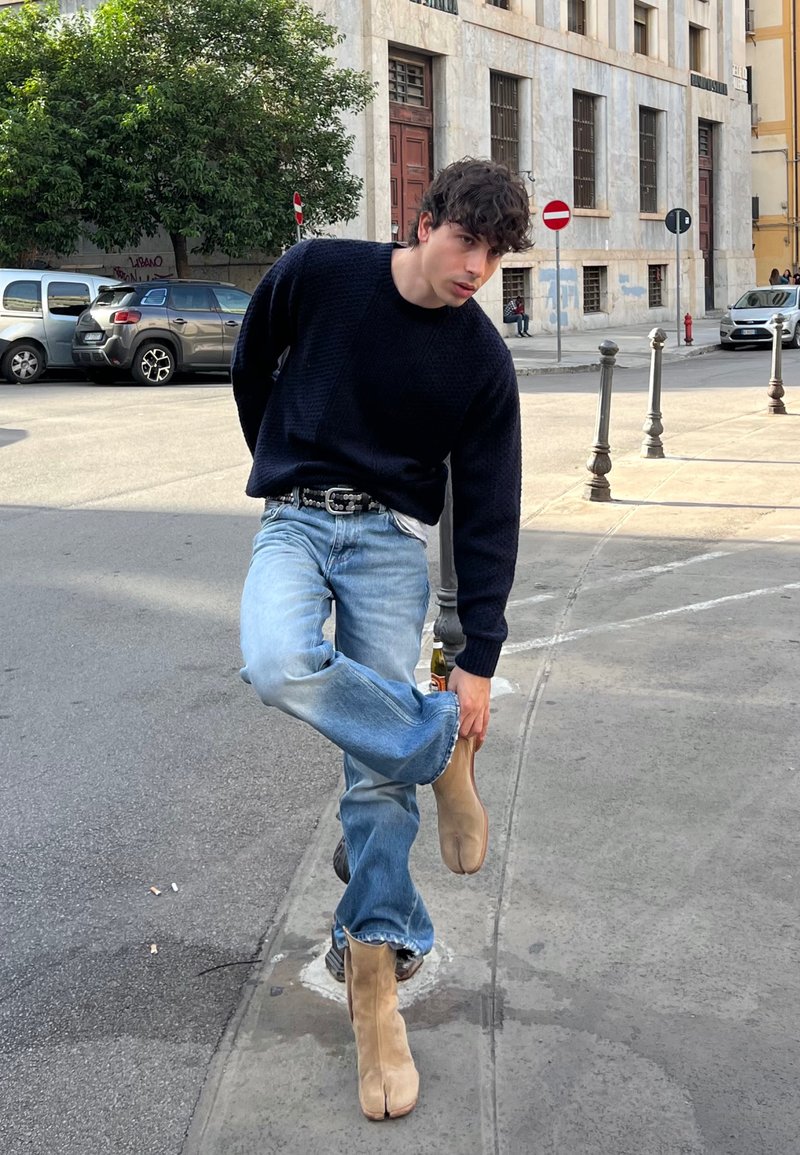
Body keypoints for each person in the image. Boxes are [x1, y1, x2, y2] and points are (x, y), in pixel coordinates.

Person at [232, 157, 531, 1120]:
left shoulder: (480, 360)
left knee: (375, 781)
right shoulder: (318, 272)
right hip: (296, 518)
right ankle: (434, 741)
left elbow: (488, 511)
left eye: (496, 256)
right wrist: (283, 460)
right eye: (467, 242)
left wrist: (477, 656)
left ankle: (375, 990)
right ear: (425, 220)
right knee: (277, 657)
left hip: (392, 544)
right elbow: (252, 364)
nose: (478, 268)